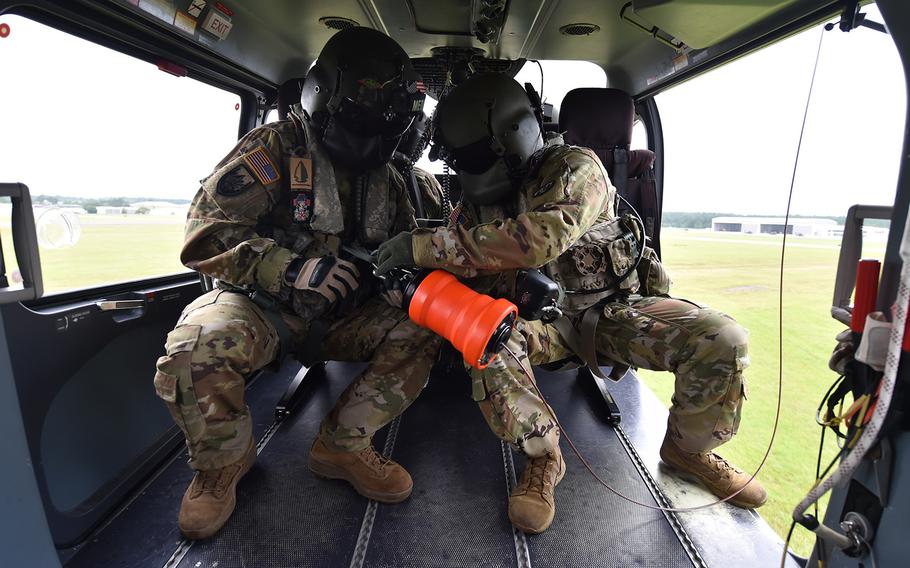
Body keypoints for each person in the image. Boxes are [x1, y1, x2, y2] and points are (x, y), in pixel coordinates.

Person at [375, 72, 766, 534]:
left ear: (512, 137)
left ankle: (689, 450)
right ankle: (544, 459)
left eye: (476, 156)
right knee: (484, 341)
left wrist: (421, 246)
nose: (468, 169)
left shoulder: (577, 169)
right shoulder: (476, 206)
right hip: (539, 325)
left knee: (722, 338)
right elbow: (464, 257)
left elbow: (538, 240)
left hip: (610, 313)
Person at [152, 26, 443, 540]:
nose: (375, 143)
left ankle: (343, 444)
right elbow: (204, 234)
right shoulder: (274, 149)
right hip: (265, 306)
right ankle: (223, 463)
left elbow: (413, 249)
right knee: (194, 345)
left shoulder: (396, 177)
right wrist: (286, 268)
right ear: (324, 101)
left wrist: (403, 282)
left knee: (425, 327)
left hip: (350, 314)